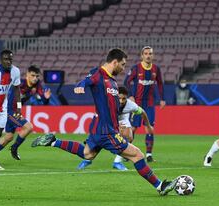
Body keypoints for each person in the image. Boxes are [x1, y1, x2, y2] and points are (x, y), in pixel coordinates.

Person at [31, 48, 177, 195]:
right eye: (123, 64)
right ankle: (160, 186)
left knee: (88, 154)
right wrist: (80, 86)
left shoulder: (112, 81)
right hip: (106, 131)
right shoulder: (99, 74)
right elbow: (86, 81)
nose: (123, 68)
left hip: (101, 128)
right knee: (137, 155)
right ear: (115, 62)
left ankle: (53, 141)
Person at [0, 65, 51, 163]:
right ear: (27, 75)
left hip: (14, 111)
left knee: (8, 137)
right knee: (29, 127)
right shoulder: (19, 83)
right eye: (33, 75)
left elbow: (43, 101)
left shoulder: (37, 85)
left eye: (37, 76)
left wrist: (46, 98)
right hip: (8, 110)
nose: (35, 78)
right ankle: (14, 148)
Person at [77, 86, 154, 171]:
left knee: (129, 136)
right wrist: (116, 127)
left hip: (121, 119)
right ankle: (87, 159)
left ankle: (117, 162)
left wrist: (148, 125)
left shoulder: (130, 105)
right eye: (119, 98)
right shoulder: (107, 102)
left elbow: (142, 112)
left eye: (124, 99)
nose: (121, 101)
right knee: (100, 137)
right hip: (105, 121)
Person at [124, 46, 165, 162]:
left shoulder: (156, 69)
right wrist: (131, 95)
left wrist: (162, 99)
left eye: (150, 53)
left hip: (150, 104)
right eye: (146, 53)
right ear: (142, 55)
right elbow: (126, 81)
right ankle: (126, 152)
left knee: (150, 128)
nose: (148, 56)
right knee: (132, 129)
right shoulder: (136, 68)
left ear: (153, 55)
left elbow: (160, 84)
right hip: (137, 103)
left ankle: (149, 155)